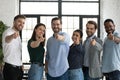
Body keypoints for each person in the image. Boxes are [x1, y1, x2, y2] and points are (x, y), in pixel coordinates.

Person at [2, 14, 26, 80]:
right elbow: (7, 39)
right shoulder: (7, 32)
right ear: (14, 22)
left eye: (23, 23)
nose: (21, 24)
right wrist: (12, 36)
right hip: (10, 68)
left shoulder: (18, 35)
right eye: (19, 21)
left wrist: (21, 63)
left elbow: (18, 52)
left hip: (19, 68)